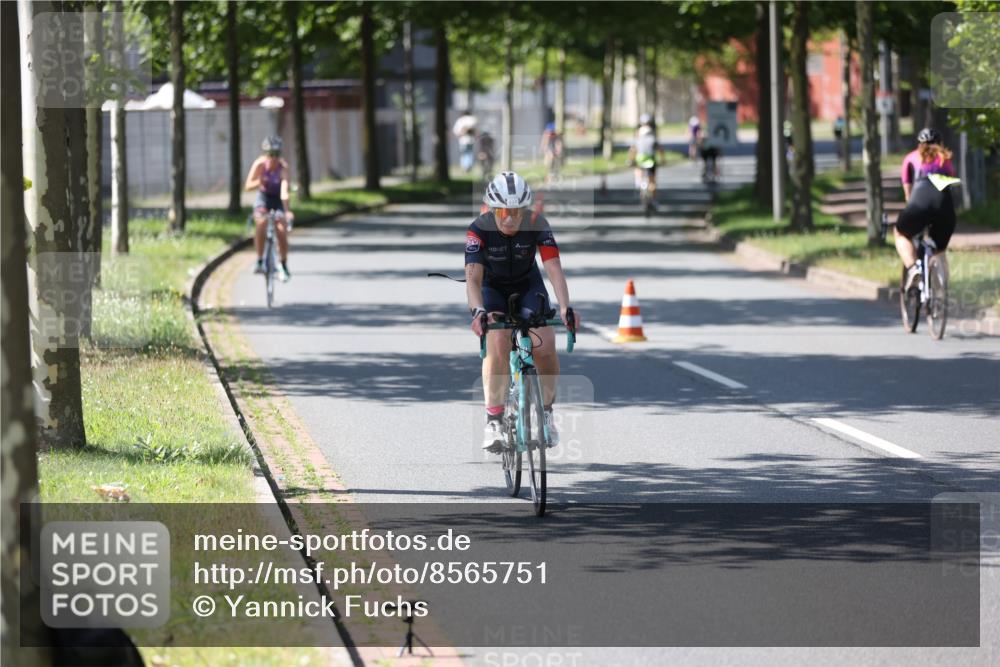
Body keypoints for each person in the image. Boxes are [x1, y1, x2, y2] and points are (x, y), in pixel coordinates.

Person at [465, 171, 579, 452]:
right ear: (493, 209)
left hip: (528, 285)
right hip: (492, 290)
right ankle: (494, 419)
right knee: (499, 342)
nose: (510, 218)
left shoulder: (537, 223)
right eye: (504, 211)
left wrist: (565, 305)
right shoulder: (478, 229)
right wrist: (478, 310)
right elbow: (473, 279)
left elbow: (553, 267)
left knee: (546, 344)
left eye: (517, 212)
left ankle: (547, 414)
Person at [895, 127, 956, 289]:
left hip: (919, 203)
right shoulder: (946, 159)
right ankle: (941, 294)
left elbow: (908, 195)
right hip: (945, 206)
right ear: (940, 144)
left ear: (919, 144)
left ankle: (913, 268)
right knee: (939, 250)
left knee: (900, 233)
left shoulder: (910, 158)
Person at [245, 136, 293, 281]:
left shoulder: (283, 168)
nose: (273, 158)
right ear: (265, 154)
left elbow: (285, 191)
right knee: (261, 224)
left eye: (276, 154)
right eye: (270, 154)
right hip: (263, 199)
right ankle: (259, 260)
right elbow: (247, 186)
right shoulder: (259, 165)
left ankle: (283, 264)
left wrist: (286, 211)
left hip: (277, 200)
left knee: (281, 230)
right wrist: (260, 180)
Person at [627, 114, 666, 200]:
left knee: (637, 168)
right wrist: (663, 160)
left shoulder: (637, 137)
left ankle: (639, 183)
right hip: (651, 160)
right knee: (652, 181)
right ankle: (654, 200)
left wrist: (630, 160)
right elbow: (660, 150)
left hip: (640, 159)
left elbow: (632, 150)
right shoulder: (653, 137)